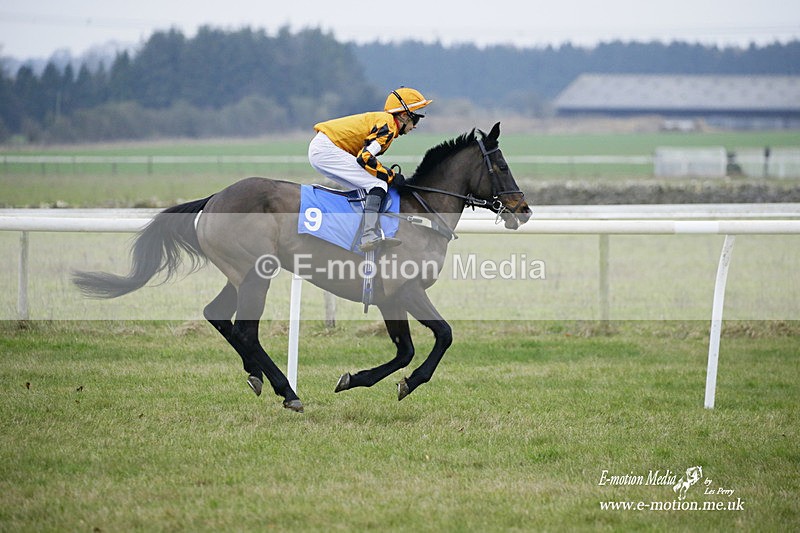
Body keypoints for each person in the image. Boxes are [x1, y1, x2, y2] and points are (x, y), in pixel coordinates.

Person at [308, 87, 432, 251]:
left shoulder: (385, 123)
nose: (415, 126)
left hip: (324, 149)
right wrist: (391, 176)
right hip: (327, 149)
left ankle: (360, 231)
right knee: (378, 185)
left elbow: (365, 159)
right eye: (415, 120)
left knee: (369, 187)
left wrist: (387, 175)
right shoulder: (388, 126)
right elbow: (365, 158)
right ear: (403, 115)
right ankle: (368, 235)